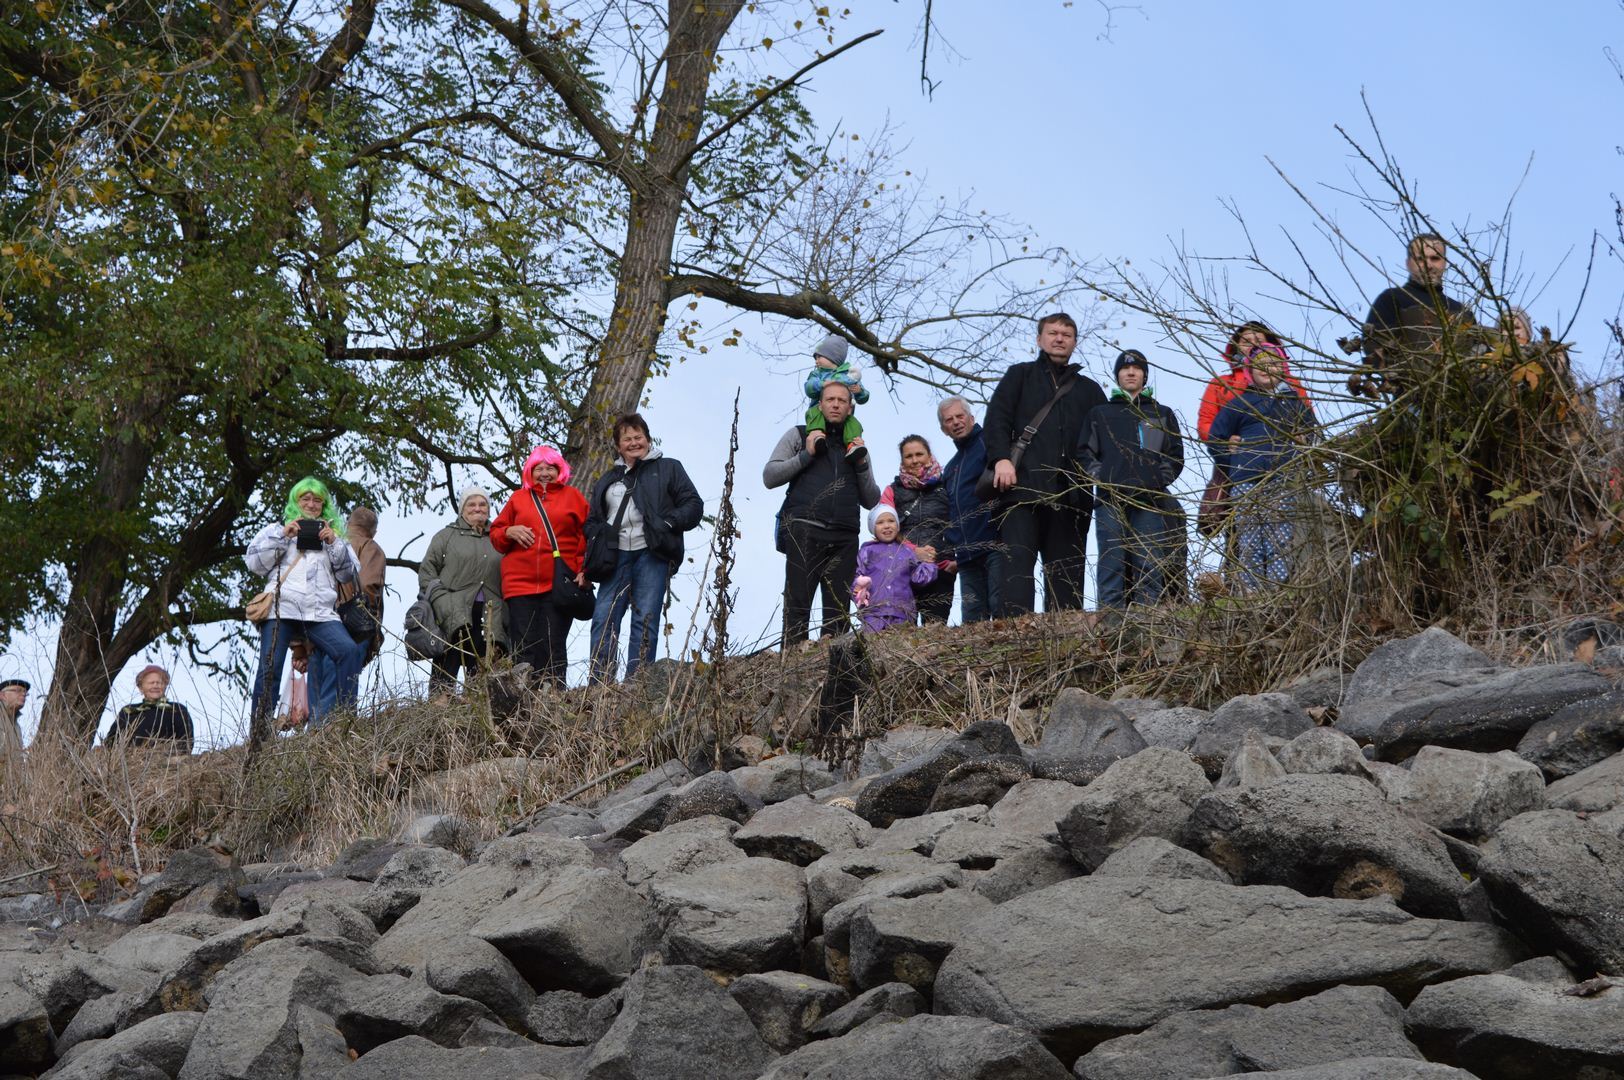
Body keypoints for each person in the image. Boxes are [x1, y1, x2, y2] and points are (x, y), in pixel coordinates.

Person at [983, 312, 1107, 615]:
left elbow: (1106, 439)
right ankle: (1014, 638)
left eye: (1066, 334)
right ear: (1039, 339)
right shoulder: (1020, 375)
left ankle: (1064, 642)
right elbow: (996, 420)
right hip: (1021, 489)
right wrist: (1001, 459)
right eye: (1053, 333)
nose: (1059, 338)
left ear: (1075, 342)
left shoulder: (1090, 390)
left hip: (1071, 496)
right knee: (1016, 573)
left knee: (1066, 578)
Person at [587, 414, 705, 682]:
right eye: (626, 438)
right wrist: (597, 539)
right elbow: (592, 520)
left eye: (638, 437)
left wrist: (667, 522)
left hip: (652, 553)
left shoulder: (669, 468)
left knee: (645, 618)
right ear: (618, 446)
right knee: (603, 619)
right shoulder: (608, 478)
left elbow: (693, 505)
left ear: (648, 439)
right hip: (614, 557)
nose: (633, 442)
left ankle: (636, 684)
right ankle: (599, 686)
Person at [764, 381, 882, 645]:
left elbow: (872, 499)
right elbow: (770, 476)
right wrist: (806, 454)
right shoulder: (798, 434)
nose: (836, 404)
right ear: (820, 404)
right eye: (830, 399)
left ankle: (835, 671)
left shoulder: (856, 445)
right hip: (804, 527)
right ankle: (792, 662)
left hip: (845, 535)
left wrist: (861, 463)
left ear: (851, 408)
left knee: (839, 611)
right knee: (797, 604)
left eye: (842, 400)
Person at [245, 477, 366, 730]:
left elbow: (348, 575)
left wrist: (333, 543)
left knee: (349, 652)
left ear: (324, 505)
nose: (311, 504)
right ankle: (260, 735)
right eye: (305, 499)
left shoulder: (335, 537)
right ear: (295, 501)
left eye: (317, 500)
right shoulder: (275, 530)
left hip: (320, 613)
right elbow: (254, 564)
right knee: (270, 669)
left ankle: (343, 723)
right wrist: (282, 536)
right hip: (283, 609)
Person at [1079, 350, 1185, 608]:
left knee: (1148, 560)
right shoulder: (1101, 413)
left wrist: (1156, 480)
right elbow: (1084, 452)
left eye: (1137, 368)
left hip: (1149, 500)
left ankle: (1148, 617)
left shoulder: (1160, 413)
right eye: (1125, 369)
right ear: (1117, 376)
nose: (1130, 372)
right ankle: (1110, 618)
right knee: (1111, 559)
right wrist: (1102, 478)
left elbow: (1174, 455)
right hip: (1109, 500)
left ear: (1144, 375)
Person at [1208, 344, 1317, 590]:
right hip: (1246, 481)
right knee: (1249, 540)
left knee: (1279, 539)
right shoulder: (1240, 403)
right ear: (1249, 371)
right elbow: (1215, 438)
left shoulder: (1294, 403)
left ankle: (1276, 592)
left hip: (1282, 480)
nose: (1268, 369)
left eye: (1274, 364)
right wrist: (1231, 458)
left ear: (1283, 369)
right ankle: (1252, 593)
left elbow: (1313, 434)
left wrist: (1304, 443)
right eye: (1260, 365)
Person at [490, 445, 589, 687]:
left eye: (550, 468)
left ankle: (552, 699)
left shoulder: (573, 497)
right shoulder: (518, 499)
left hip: (558, 584)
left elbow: (586, 537)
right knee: (524, 645)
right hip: (519, 585)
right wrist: (509, 531)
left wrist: (582, 569)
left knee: (552, 643)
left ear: (560, 471)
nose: (544, 473)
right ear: (529, 473)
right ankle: (523, 699)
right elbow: (495, 534)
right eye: (538, 468)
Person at [421, 487, 507, 695]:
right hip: (453, 612)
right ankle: (439, 716)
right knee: (446, 668)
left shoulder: (499, 537)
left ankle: (477, 717)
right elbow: (426, 573)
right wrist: (442, 601)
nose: (477, 508)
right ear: (462, 509)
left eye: (482, 504)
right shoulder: (446, 536)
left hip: (491, 613)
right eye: (471, 504)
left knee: (485, 676)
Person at [1360, 232, 1476, 385]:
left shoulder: (1462, 311)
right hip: (1412, 399)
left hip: (1458, 401)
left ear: (1445, 263)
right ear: (1408, 263)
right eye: (1420, 258)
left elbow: (1476, 359)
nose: (1428, 265)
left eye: (1435, 258)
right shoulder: (1392, 299)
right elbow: (1375, 349)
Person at [307, 506, 385, 717]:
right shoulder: (370, 548)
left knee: (317, 691)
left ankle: (311, 742)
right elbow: (368, 585)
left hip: (317, 625)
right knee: (340, 693)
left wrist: (299, 645)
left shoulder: (328, 545)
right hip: (350, 628)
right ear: (373, 531)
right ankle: (336, 737)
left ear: (348, 524)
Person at [937, 396, 1004, 622]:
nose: (956, 422)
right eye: (949, 420)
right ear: (943, 429)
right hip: (966, 555)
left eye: (960, 416)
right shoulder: (951, 468)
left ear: (971, 418)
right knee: (972, 621)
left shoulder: (990, 443)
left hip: (995, 543)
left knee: (1002, 609)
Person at [878, 435, 954, 624]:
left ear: (929, 456)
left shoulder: (947, 486)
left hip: (941, 568)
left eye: (919, 454)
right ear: (902, 461)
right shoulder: (891, 490)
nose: (914, 460)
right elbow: (882, 528)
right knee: (903, 634)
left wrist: (954, 560)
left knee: (936, 631)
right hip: (901, 570)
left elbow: (960, 522)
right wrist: (914, 552)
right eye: (908, 456)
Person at [851, 506, 939, 633]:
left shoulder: (907, 551)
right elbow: (856, 576)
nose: (886, 526)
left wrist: (929, 564)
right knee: (873, 643)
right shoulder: (867, 551)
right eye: (880, 522)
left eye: (891, 521)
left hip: (902, 612)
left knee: (900, 643)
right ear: (873, 528)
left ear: (898, 526)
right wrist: (859, 587)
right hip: (874, 613)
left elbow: (918, 578)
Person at [803, 334, 871, 468]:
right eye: (815, 358)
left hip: (844, 415)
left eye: (819, 357)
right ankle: (817, 437)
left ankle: (853, 445)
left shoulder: (849, 375)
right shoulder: (817, 374)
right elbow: (809, 387)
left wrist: (859, 392)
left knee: (853, 423)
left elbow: (864, 397)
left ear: (832, 357)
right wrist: (822, 384)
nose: (816, 361)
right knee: (814, 414)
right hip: (819, 409)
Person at [105, 665, 194, 753]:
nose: (155, 686)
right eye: (151, 683)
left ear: (165, 686)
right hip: (131, 762)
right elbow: (111, 742)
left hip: (168, 763)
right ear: (141, 688)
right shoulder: (129, 711)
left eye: (159, 682)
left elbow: (186, 741)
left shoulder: (177, 710)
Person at [0, 679, 26, 762]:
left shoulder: (17, 726)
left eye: (25, 692)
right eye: (18, 691)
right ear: (2, 695)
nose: (23, 694)